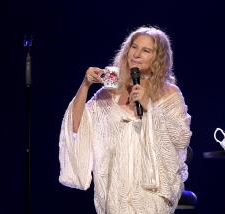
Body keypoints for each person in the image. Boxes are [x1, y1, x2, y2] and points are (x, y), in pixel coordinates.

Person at [58, 26, 192, 214]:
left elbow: (180, 138)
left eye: (146, 50)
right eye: (134, 47)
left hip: (152, 189)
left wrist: (148, 108)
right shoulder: (110, 90)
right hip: (115, 186)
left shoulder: (169, 93)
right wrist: (85, 84)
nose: (136, 54)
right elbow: (77, 125)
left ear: (158, 58)